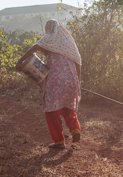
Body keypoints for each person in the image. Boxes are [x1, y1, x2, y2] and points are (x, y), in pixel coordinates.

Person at [16, 19, 82, 149]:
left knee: (51, 110)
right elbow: (78, 61)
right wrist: (77, 81)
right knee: (68, 106)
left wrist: (20, 61)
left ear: (49, 29)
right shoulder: (68, 42)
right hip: (71, 79)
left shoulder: (50, 38)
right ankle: (75, 129)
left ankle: (59, 141)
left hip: (55, 80)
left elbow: (35, 47)